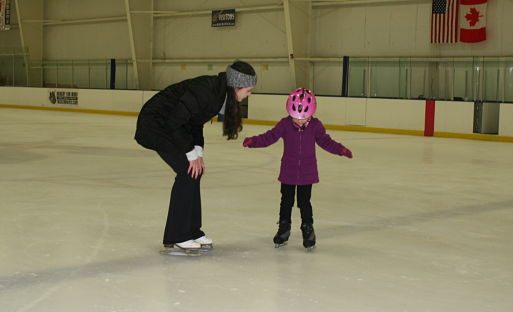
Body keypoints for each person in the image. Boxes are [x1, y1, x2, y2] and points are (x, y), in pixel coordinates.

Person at [135, 61, 257, 253]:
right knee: (186, 171)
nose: (248, 95)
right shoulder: (207, 91)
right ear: (236, 86)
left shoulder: (218, 93)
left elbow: (195, 122)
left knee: (194, 171)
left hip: (172, 127)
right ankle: (177, 236)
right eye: (248, 91)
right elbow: (176, 121)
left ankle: (192, 231)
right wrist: (190, 154)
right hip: (156, 125)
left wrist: (198, 152)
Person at [242, 88, 353, 250]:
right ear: (290, 112)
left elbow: (326, 142)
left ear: (312, 112)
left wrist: (340, 149)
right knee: (286, 201)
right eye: (296, 117)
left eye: (304, 117)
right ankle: (284, 228)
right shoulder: (285, 124)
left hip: (307, 172)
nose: (300, 121)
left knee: (304, 202)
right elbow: (270, 136)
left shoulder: (316, 126)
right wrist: (254, 141)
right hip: (288, 170)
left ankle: (308, 229)